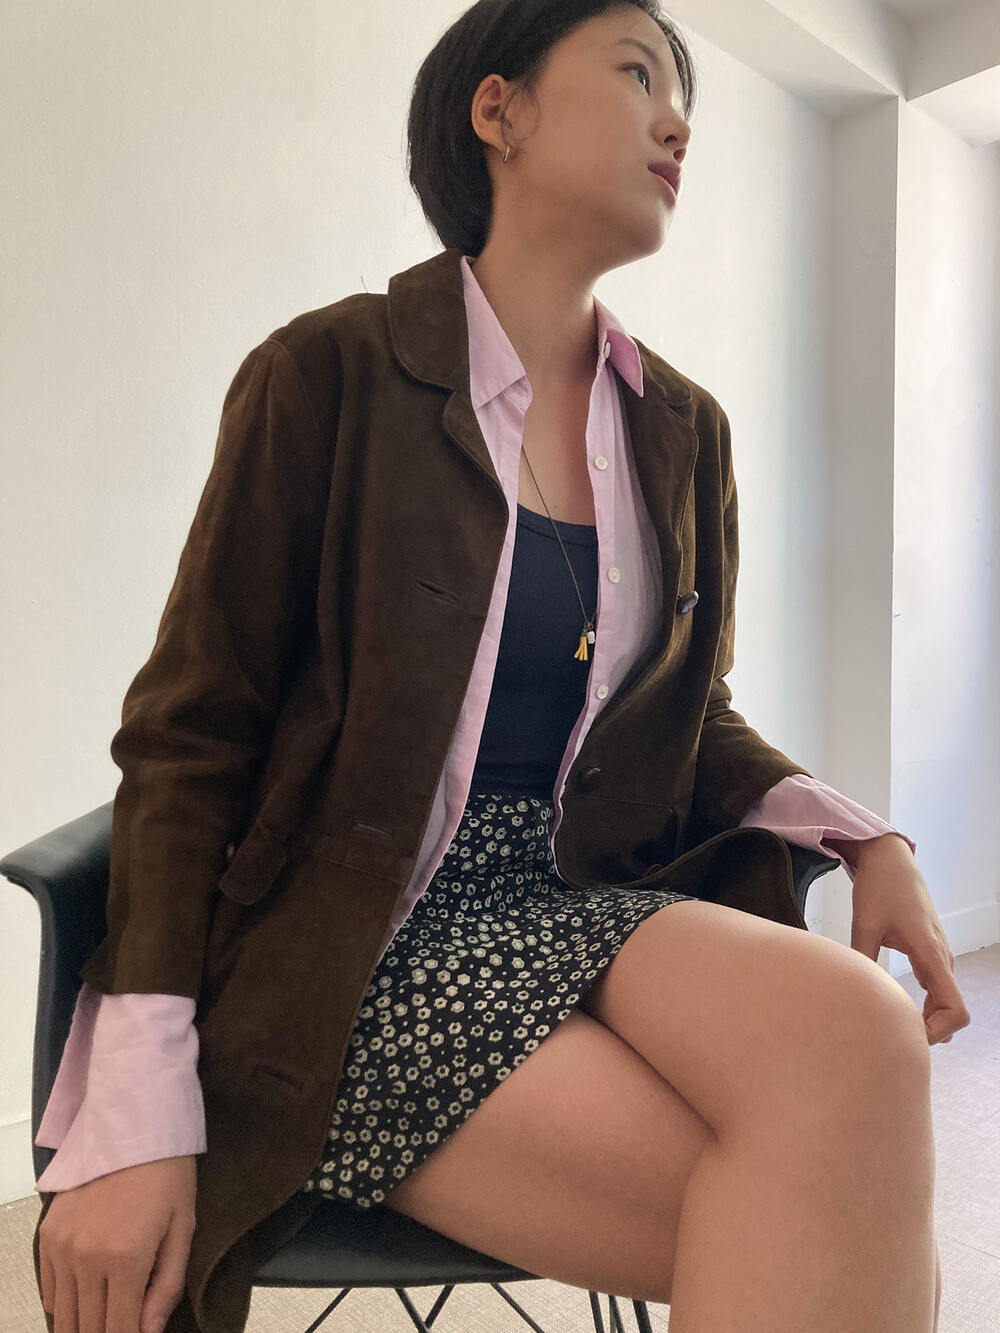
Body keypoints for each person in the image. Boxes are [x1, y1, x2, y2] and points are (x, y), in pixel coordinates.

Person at [33, 4, 968, 1332]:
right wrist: (136, 1104)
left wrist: (867, 837)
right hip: (355, 940)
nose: (678, 122)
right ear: (500, 109)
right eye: (639, 73)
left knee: (861, 1042)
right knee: (856, 1215)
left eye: (684, 96)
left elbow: (691, 713)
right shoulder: (329, 374)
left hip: (581, 894)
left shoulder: (683, 431)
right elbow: (194, 737)